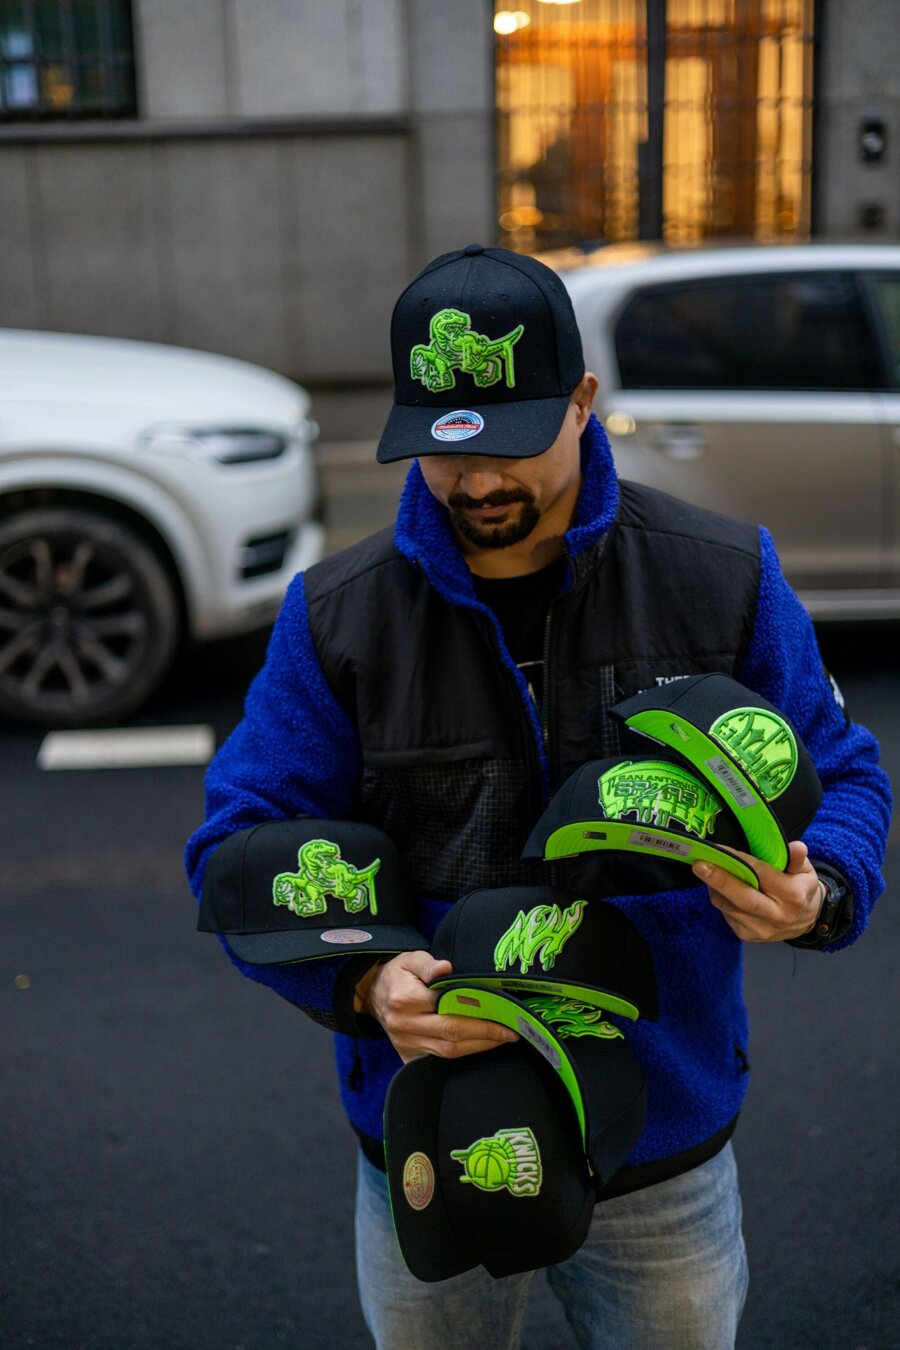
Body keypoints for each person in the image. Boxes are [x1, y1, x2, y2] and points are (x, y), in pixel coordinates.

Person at [185, 244, 891, 1350]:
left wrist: (822, 887)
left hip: (662, 1143)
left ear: (582, 402)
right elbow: (239, 848)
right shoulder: (335, 617)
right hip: (426, 1137)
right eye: (441, 452)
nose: (478, 485)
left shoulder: (723, 573)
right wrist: (363, 980)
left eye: (512, 444)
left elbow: (844, 772)